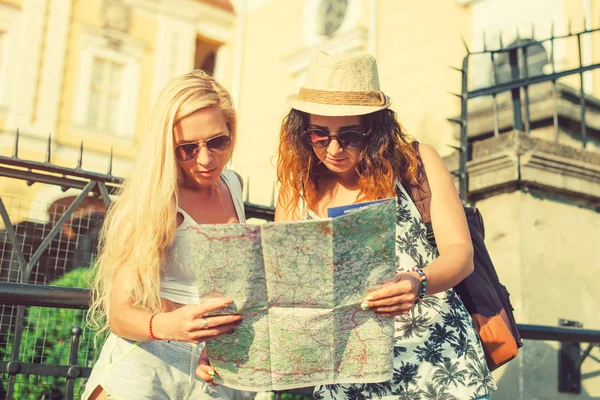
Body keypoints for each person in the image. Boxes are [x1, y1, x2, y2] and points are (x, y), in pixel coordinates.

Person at [274, 52, 497, 399]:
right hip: (348, 373)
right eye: (319, 135)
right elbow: (285, 282)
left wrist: (416, 282)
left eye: (350, 136)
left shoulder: (416, 164)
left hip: (437, 364)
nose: (333, 149)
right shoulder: (296, 189)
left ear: (375, 130)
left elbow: (461, 254)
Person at [83, 70, 245, 400]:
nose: (205, 159)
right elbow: (119, 314)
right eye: (187, 148)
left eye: (218, 142)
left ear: (232, 133)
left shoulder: (234, 185)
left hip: (211, 378)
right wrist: (170, 326)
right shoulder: (153, 202)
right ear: (167, 147)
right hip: (145, 375)